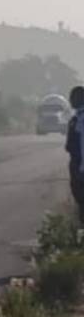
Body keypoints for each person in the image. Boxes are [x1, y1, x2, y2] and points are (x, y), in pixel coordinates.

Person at [66, 86, 84, 223]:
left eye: (73, 98)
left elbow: (75, 145)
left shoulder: (78, 120)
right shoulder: (75, 119)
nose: (70, 101)